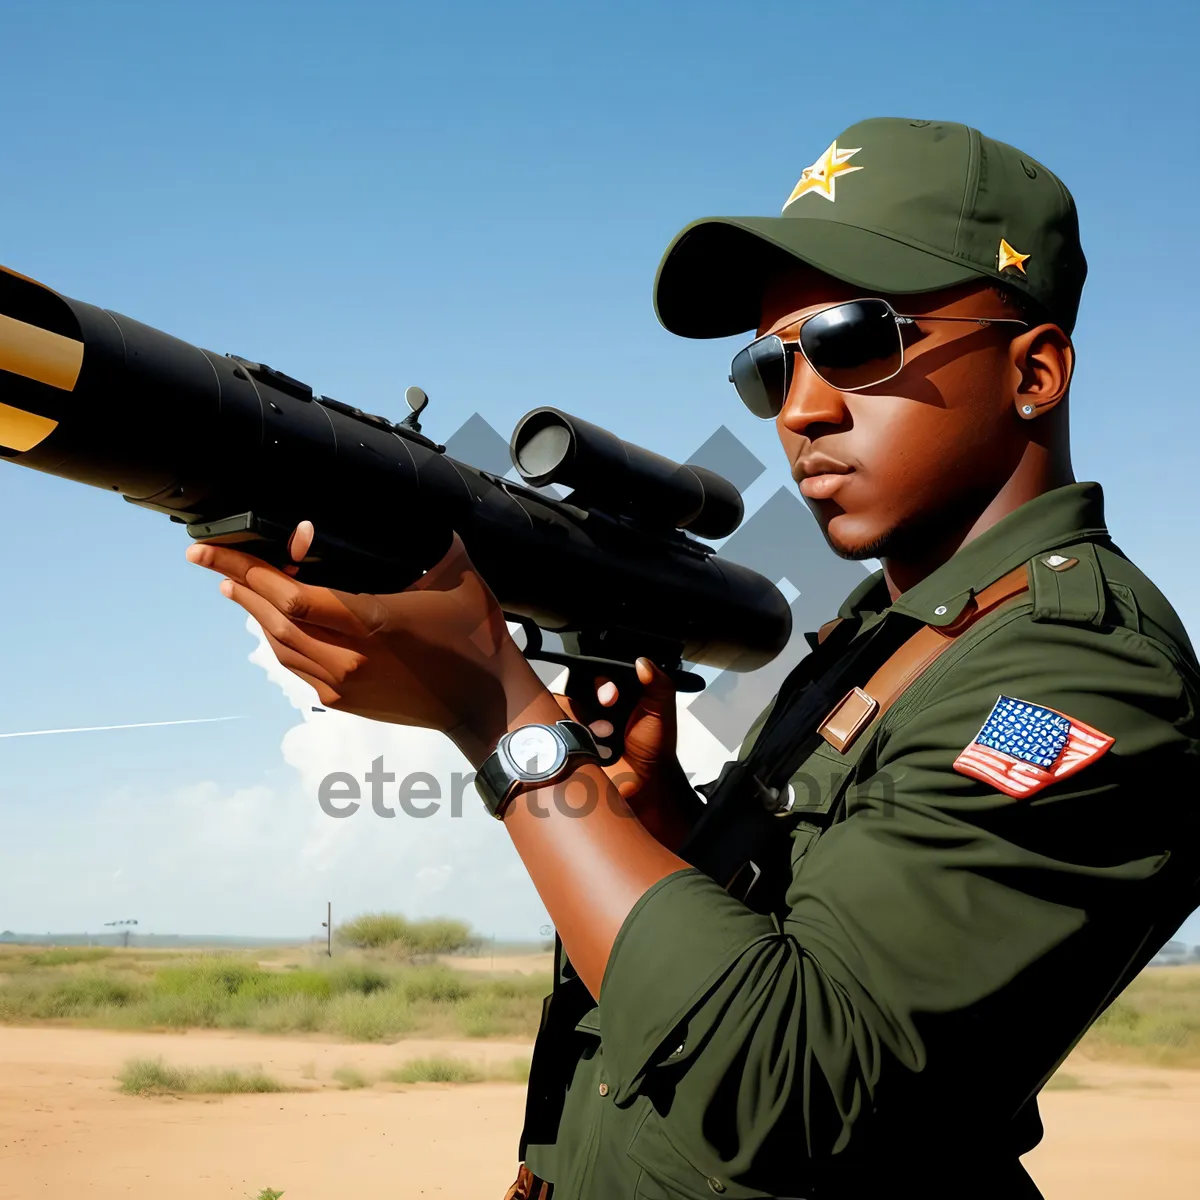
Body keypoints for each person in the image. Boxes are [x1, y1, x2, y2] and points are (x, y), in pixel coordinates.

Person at [185, 118, 1200, 1199]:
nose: (802, 409)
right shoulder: (892, 642)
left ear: (1034, 370)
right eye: (773, 365)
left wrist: (504, 722)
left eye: (861, 341)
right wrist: (657, 815)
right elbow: (783, 933)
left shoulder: (1082, 671)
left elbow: (795, 1087)